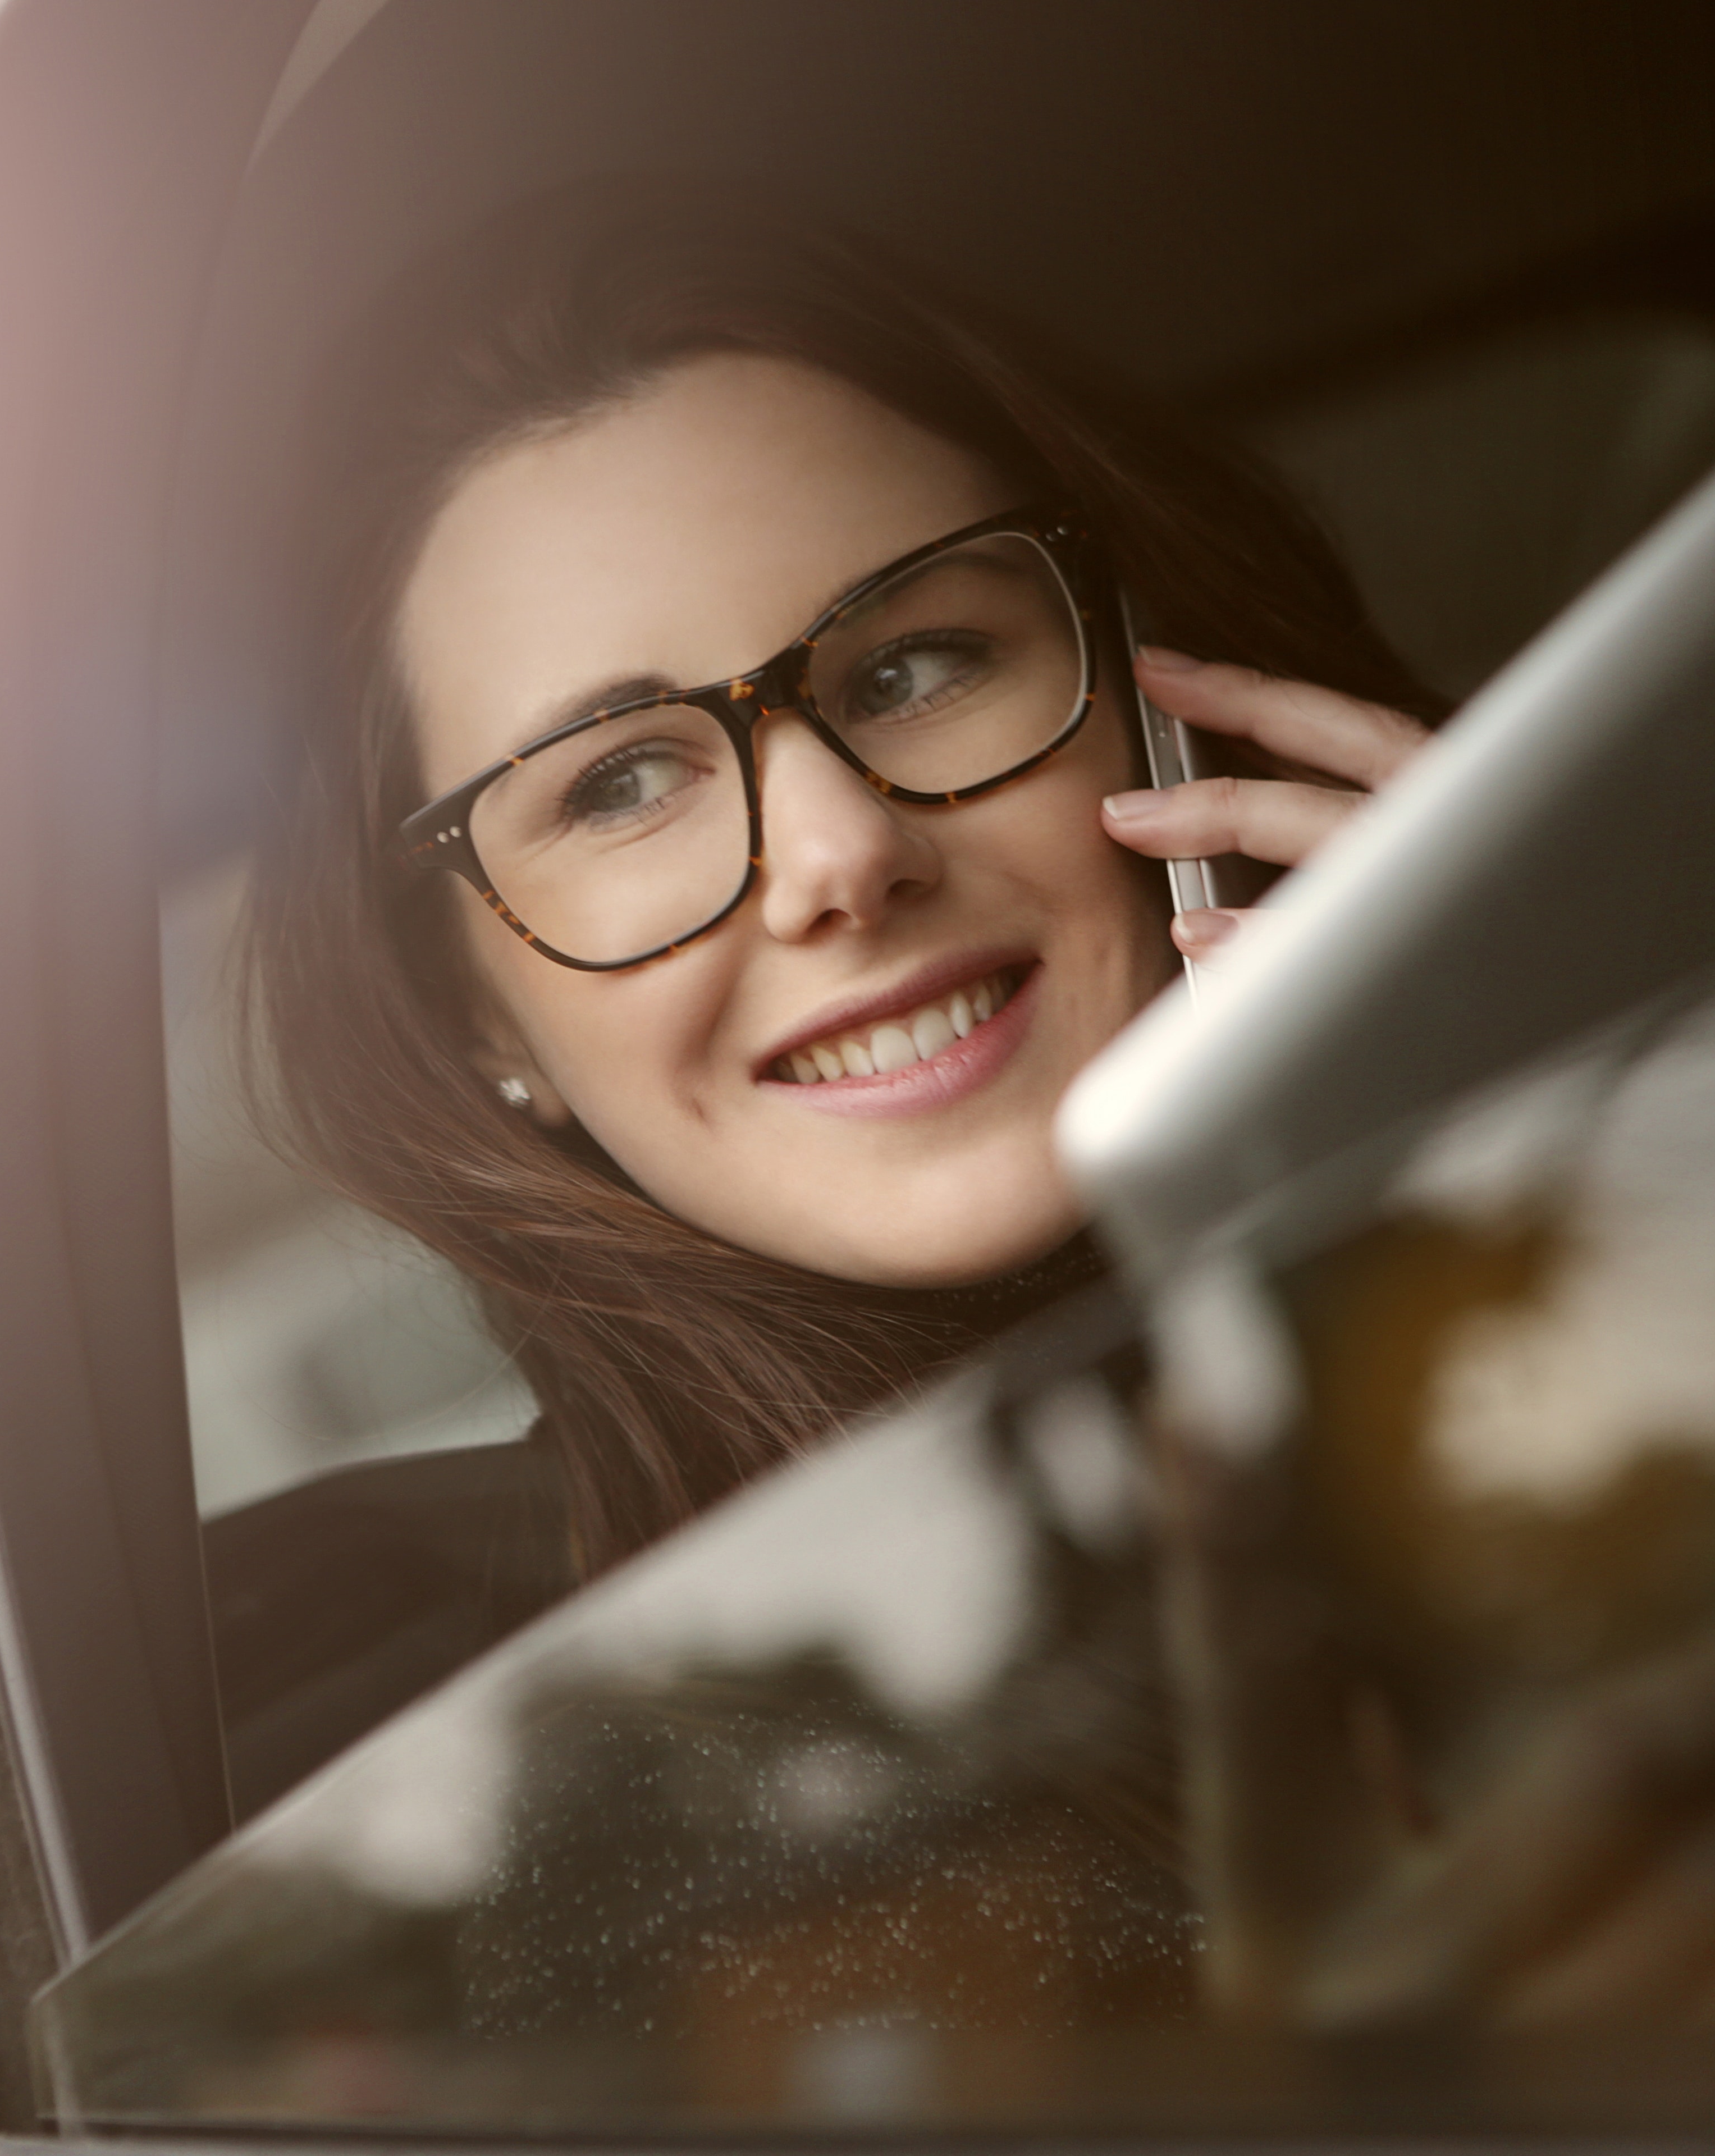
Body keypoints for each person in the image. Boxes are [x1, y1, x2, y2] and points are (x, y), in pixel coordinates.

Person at [245, 187, 1437, 1577]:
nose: (843, 857)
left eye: (913, 669)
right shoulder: (461, 1737)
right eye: (619, 784)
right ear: (475, 1009)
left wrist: (1587, 1094)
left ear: (1163, 694)